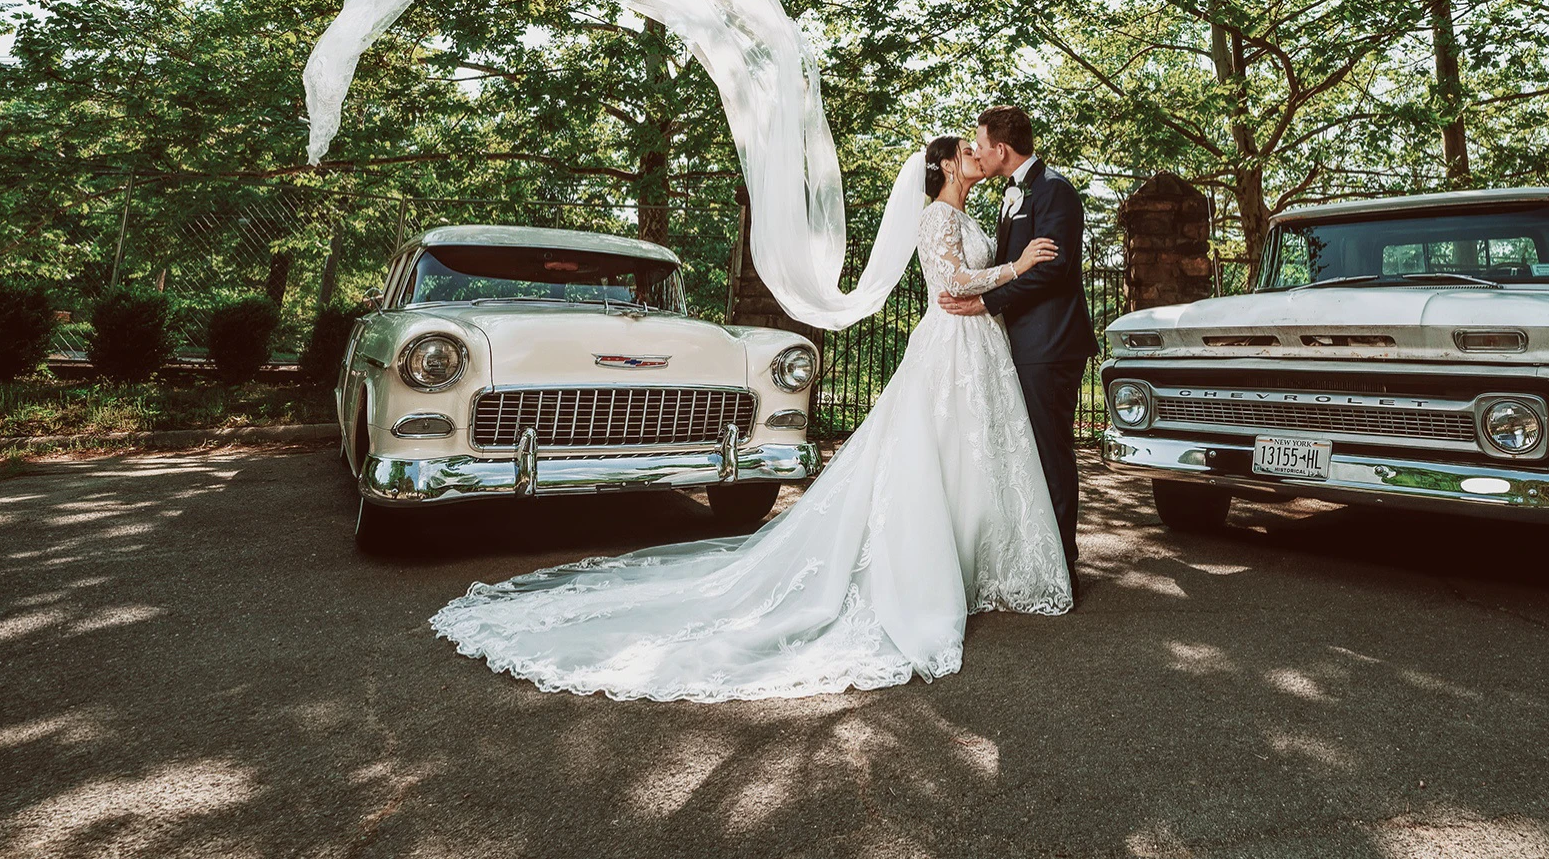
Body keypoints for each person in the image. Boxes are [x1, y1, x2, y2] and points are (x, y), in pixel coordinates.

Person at [430, 136, 1072, 702]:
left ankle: (982, 560)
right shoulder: (936, 217)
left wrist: (1003, 278)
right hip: (951, 342)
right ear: (943, 169)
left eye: (976, 146)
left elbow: (974, 282)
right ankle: (932, 568)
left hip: (980, 346)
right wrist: (1015, 267)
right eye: (964, 150)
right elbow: (950, 287)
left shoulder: (973, 211)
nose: (974, 154)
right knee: (938, 452)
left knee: (976, 452)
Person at [938, 105, 1097, 587]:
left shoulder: (1056, 192)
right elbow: (1013, 263)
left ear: (1001, 148)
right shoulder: (1011, 194)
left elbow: (1051, 269)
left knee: (1051, 451)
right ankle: (1038, 552)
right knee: (1027, 450)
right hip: (1021, 344)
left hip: (1050, 345)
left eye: (981, 145)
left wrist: (987, 304)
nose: (978, 153)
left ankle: (1062, 563)